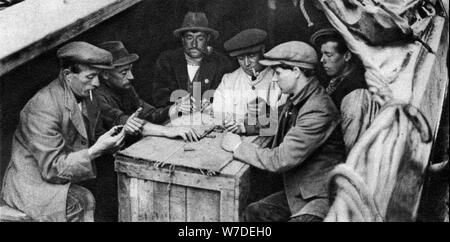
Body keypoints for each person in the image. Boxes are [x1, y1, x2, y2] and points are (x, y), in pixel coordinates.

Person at [1, 42, 126, 222]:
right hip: (36, 185)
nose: (97, 83)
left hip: (67, 174)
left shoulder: (86, 95)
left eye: (98, 76)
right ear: (68, 75)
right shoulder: (43, 106)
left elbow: (91, 135)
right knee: (81, 201)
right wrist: (96, 150)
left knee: (110, 184)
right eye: (90, 76)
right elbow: (52, 169)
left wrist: (110, 142)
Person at [221, 41, 345, 222]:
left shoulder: (317, 109)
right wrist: (243, 128)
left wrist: (238, 147)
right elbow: (275, 120)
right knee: (253, 212)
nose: (274, 79)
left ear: (296, 72)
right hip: (299, 189)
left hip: (319, 197)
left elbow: (280, 159)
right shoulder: (301, 98)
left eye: (278, 73)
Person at [95, 41, 200, 142]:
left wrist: (173, 109)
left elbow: (148, 114)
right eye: (124, 72)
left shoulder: (125, 88)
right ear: (105, 74)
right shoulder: (96, 96)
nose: (131, 76)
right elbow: (126, 122)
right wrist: (168, 130)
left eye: (130, 70)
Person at [311, 28, 380, 152]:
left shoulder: (355, 93)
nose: (322, 60)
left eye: (329, 55)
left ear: (347, 56)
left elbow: (352, 146)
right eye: (322, 54)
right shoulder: (337, 82)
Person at [151, 11, 233, 114]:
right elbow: (159, 96)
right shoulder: (167, 60)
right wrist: (178, 104)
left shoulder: (221, 62)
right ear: (182, 39)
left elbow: (229, 98)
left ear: (208, 39)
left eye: (200, 38)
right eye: (189, 38)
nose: (194, 44)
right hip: (175, 121)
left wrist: (214, 106)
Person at [213, 28, 288, 135]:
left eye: (252, 56)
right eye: (241, 58)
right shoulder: (229, 80)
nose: (247, 63)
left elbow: (282, 120)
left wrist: (265, 112)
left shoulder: (278, 78)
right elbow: (218, 114)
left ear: (262, 50)